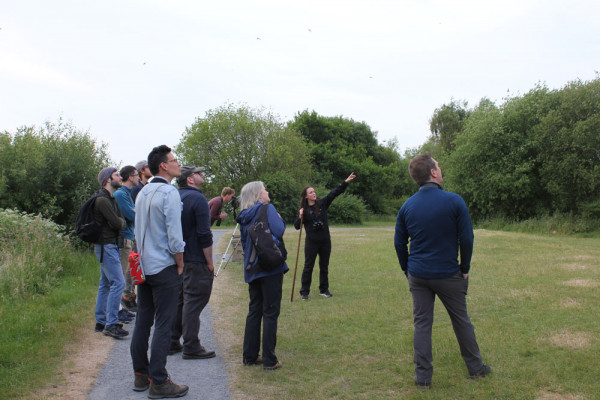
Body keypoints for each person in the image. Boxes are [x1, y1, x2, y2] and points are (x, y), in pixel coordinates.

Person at [394, 153, 491, 389]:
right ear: (433, 173)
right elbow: (466, 238)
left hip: (418, 275)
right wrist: (464, 268)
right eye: (439, 166)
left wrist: (408, 270)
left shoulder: (407, 205)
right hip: (449, 274)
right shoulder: (454, 201)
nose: (440, 169)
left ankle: (423, 378)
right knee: (461, 321)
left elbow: (399, 243)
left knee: (422, 324)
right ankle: (476, 369)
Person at [131, 145, 189, 398]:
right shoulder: (169, 192)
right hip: (163, 265)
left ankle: (141, 375)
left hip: (143, 266)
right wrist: (180, 261)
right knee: (164, 323)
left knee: (143, 320)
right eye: (175, 160)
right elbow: (174, 235)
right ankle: (159, 380)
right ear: (163, 166)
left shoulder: (142, 192)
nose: (178, 163)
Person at [236, 181, 288, 370]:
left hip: (252, 268)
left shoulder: (243, 215)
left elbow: (244, 240)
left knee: (254, 311)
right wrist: (280, 219)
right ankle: (269, 359)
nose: (267, 192)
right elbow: (279, 230)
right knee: (271, 312)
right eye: (265, 189)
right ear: (258, 194)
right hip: (270, 266)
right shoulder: (267, 208)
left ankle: (249, 356)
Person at [169, 165, 216, 359]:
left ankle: (172, 340)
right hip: (195, 258)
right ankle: (191, 345)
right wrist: (210, 262)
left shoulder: (174, 197)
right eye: (198, 173)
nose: (201, 175)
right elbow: (204, 233)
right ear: (190, 179)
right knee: (194, 300)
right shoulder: (197, 198)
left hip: (177, 258)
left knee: (180, 300)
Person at [294, 172, 356, 300]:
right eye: (310, 192)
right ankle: (304, 292)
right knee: (308, 266)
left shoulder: (322, 204)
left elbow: (334, 192)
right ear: (306, 196)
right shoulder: (303, 210)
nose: (313, 193)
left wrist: (346, 182)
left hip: (325, 241)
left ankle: (324, 289)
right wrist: (300, 216)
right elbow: (296, 226)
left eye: (314, 191)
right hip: (311, 242)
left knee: (324, 266)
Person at [93, 167, 128, 338]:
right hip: (106, 246)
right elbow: (119, 222)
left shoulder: (110, 198)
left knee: (105, 284)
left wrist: (119, 223)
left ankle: (101, 321)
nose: (120, 177)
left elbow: (121, 222)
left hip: (107, 246)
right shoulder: (102, 201)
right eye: (117, 175)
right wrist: (119, 223)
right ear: (107, 179)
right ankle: (111, 323)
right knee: (118, 283)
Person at [113, 165, 139, 315]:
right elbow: (133, 215)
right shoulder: (121, 195)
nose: (138, 178)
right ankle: (117, 310)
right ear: (130, 177)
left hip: (129, 237)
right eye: (136, 175)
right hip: (123, 239)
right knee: (121, 277)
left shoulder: (127, 194)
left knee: (126, 273)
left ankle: (119, 309)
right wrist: (135, 211)